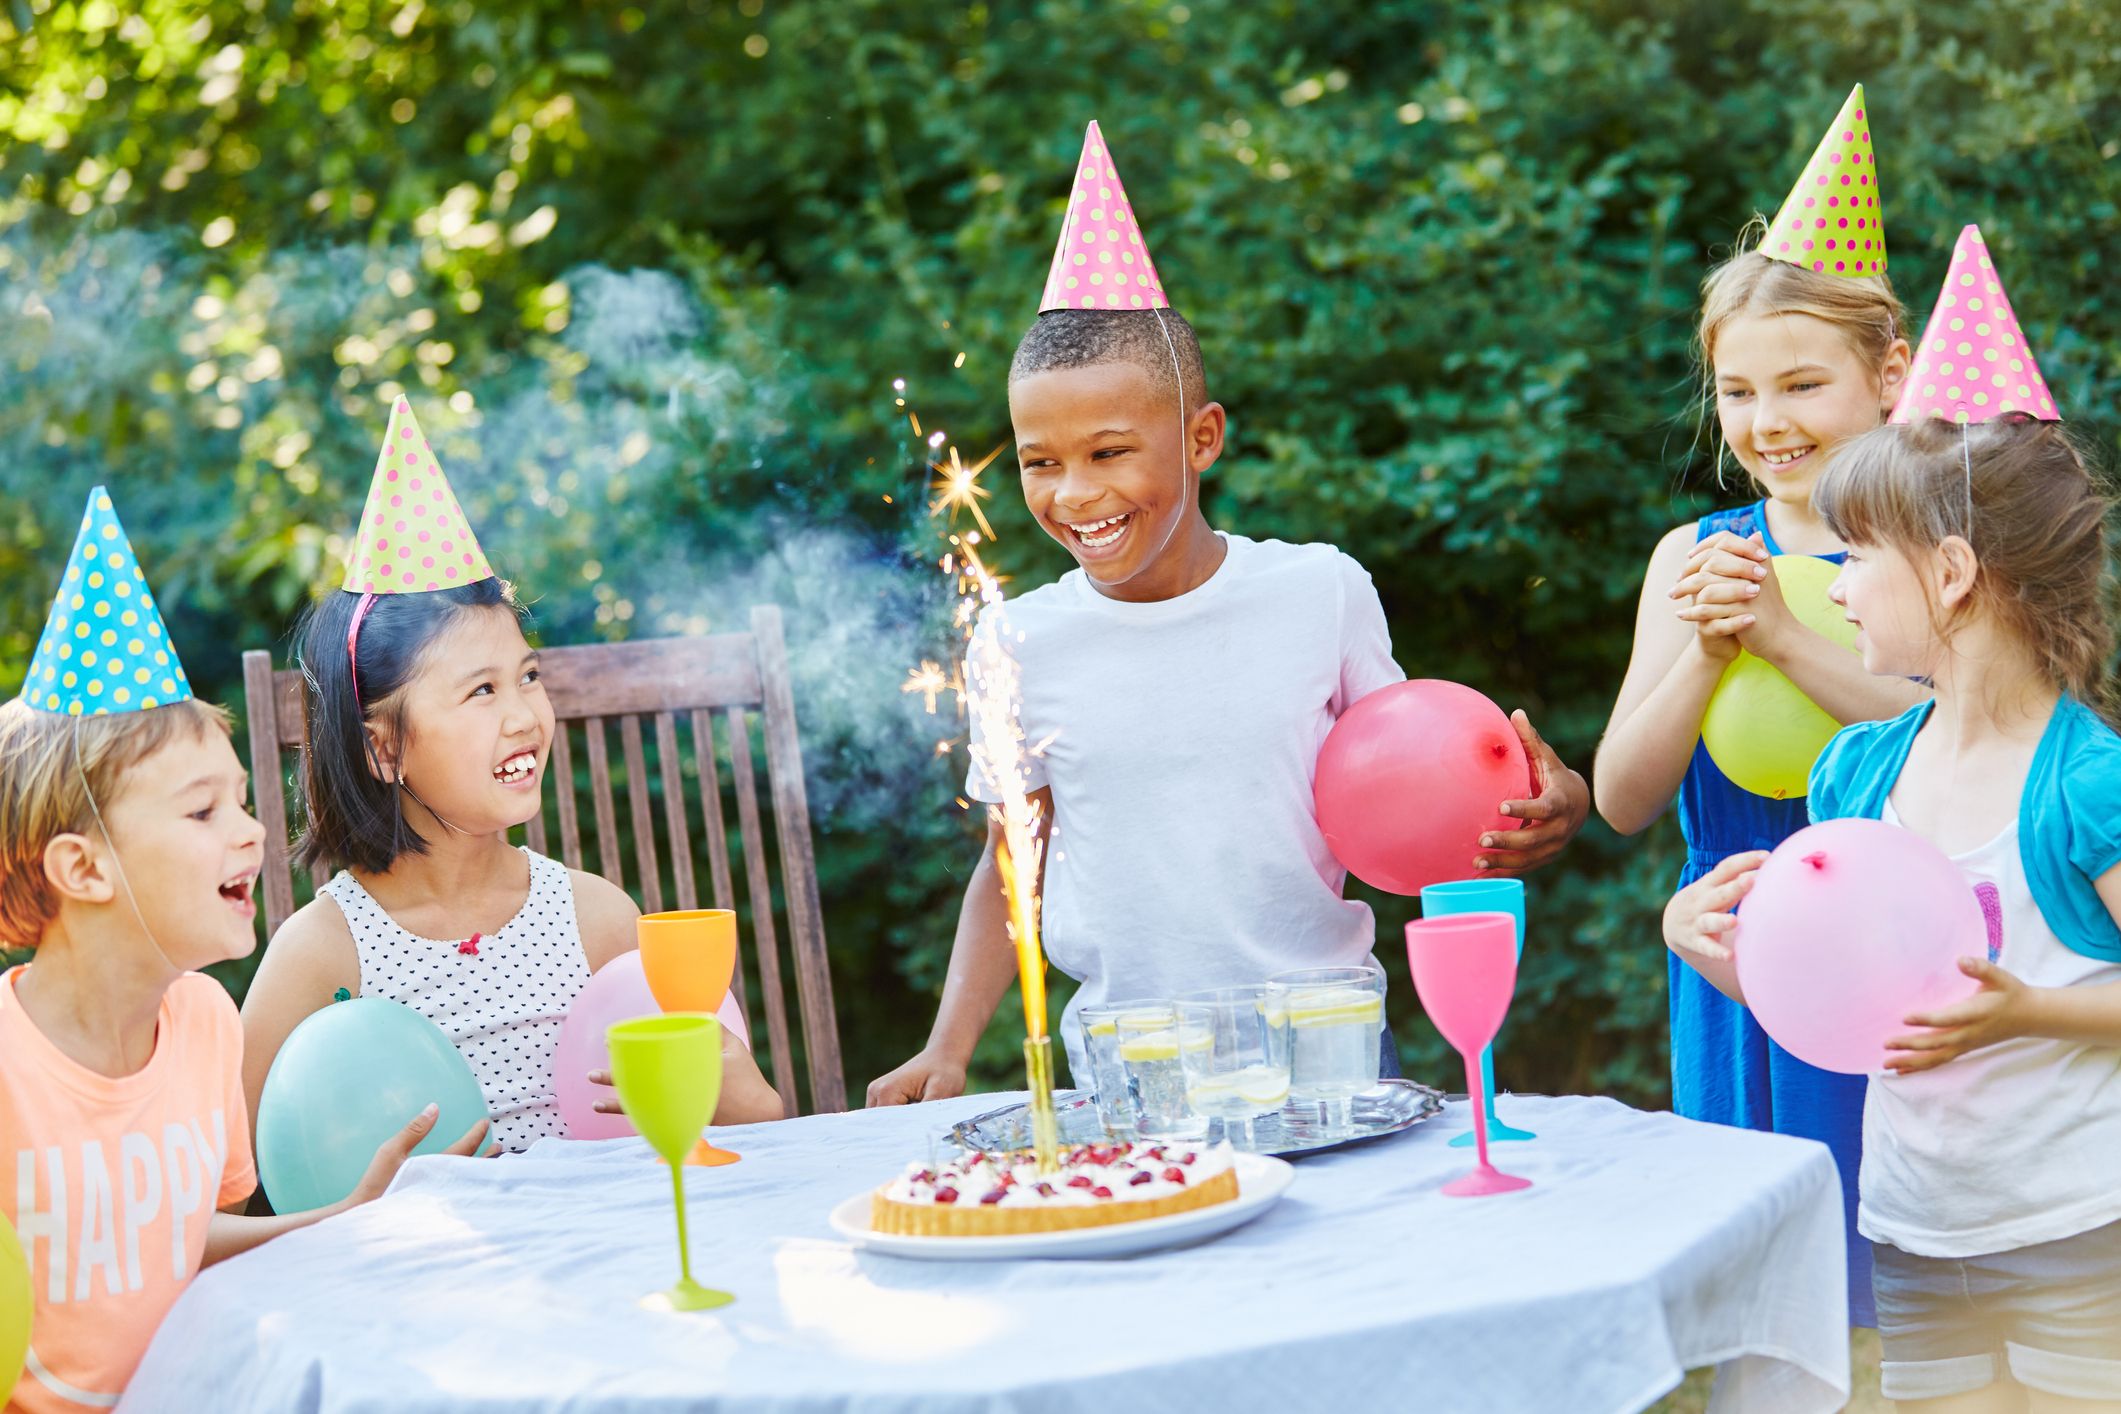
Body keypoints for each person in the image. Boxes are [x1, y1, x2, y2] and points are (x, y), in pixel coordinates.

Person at [868, 121, 1589, 1103]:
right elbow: (1013, 862)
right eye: (1041, 461)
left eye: (1111, 450)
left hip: (1326, 1044)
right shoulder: (1018, 641)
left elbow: (1416, 798)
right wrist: (948, 1047)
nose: (1075, 493)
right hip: (1130, 1065)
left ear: (1202, 437)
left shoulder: (1321, 592)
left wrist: (1554, 804)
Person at [1670, 230, 2120, 1411]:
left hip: (2082, 1227)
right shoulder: (1856, 774)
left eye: (1859, 551)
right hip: (1916, 1222)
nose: (1837, 578)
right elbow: (1840, 1000)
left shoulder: (2085, 784)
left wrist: (2029, 1011)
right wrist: (1713, 947)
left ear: (1955, 574)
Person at [0, 488, 479, 1414]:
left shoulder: (206, 1024)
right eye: (202, 811)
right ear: (83, 867)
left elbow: (175, 1237)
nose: (253, 832)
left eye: (242, 802)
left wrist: (340, 1224)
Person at [1596, 86, 1926, 1323]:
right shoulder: (1693, 554)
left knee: (1898, 1303)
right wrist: (1706, 644)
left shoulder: (1934, 546)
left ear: (1888, 375)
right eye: (1739, 393)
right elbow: (1625, 799)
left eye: (1802, 385)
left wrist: (1783, 635)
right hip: (1731, 954)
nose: (1768, 423)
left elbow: (1939, 736)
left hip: (1889, 953)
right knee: (1765, 1322)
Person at [241, 400, 780, 1155]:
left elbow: (743, 1148)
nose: (526, 715)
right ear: (384, 749)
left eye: (528, 676)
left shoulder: (597, 922)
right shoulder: (322, 955)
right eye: (481, 691)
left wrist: (748, 1099)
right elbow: (246, 1181)